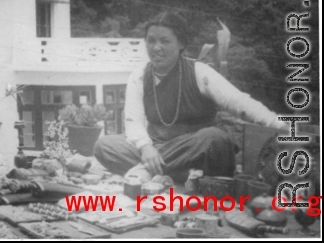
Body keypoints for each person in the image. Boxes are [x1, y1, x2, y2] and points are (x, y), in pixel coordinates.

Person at [94, 11, 287, 183]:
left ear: (181, 44)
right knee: (105, 145)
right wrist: (145, 148)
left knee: (215, 138)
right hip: (158, 148)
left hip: (197, 150)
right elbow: (133, 121)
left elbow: (239, 102)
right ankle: (174, 173)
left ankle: (150, 170)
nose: (156, 47)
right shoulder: (139, 76)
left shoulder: (199, 72)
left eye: (165, 41)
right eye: (151, 40)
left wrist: (278, 124)